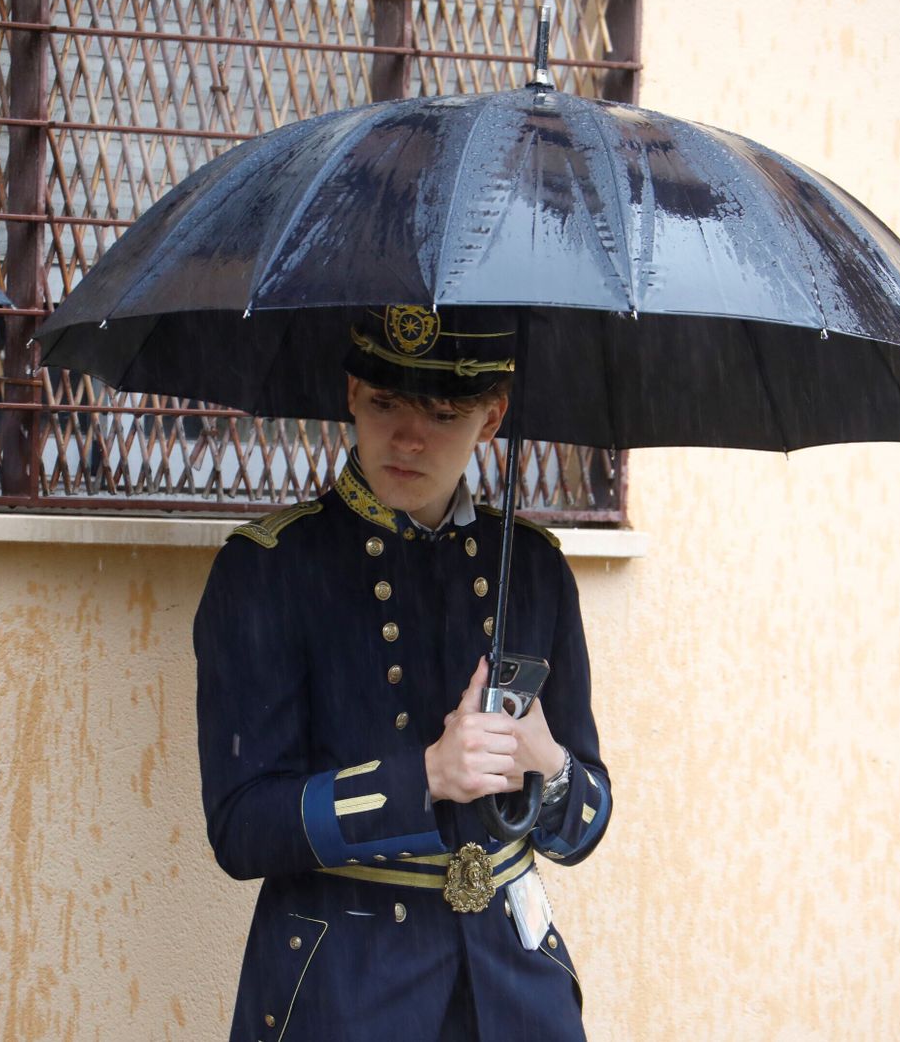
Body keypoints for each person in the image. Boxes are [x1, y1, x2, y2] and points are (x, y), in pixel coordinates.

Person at [195, 305, 612, 1041]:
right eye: (386, 403)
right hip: (346, 990)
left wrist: (545, 766)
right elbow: (242, 829)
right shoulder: (268, 569)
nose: (410, 437)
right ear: (352, 392)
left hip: (517, 985)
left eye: (446, 412)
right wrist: (420, 779)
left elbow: (582, 826)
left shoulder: (536, 568)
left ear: (493, 419)